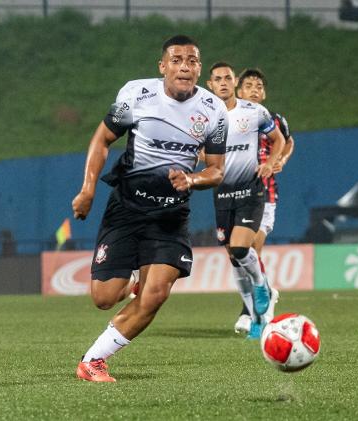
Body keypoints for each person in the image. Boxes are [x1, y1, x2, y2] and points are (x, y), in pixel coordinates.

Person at [72, 35, 228, 382]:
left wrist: (192, 180)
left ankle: (93, 360)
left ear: (199, 69)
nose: (184, 65)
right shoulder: (135, 96)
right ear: (163, 67)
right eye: (176, 59)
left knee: (156, 293)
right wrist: (87, 190)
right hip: (126, 208)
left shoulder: (214, 111)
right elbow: (102, 140)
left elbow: (216, 170)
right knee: (103, 298)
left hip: (170, 216)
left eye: (192, 60)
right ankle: (129, 281)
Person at [206, 62, 285, 339]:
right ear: (210, 85)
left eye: (228, 77)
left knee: (243, 248)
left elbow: (281, 140)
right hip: (222, 194)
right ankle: (253, 316)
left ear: (233, 81)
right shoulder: (203, 115)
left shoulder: (254, 112)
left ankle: (262, 288)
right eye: (218, 79)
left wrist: (273, 162)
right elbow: (200, 152)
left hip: (254, 191)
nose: (224, 82)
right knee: (234, 257)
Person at [233, 68, 295, 334]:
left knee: (253, 248)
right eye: (249, 85)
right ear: (239, 92)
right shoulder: (231, 118)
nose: (255, 89)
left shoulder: (274, 120)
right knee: (239, 255)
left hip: (265, 195)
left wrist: (280, 160)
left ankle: (251, 313)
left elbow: (289, 142)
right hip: (235, 195)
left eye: (259, 85)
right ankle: (265, 294)